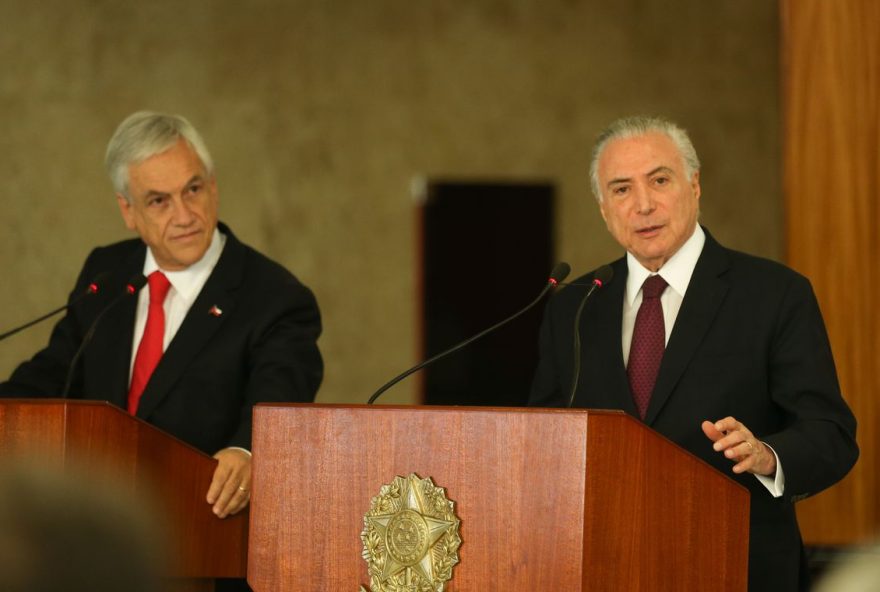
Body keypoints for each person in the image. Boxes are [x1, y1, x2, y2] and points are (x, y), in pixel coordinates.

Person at [529, 116, 858, 591]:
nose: (643, 205)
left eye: (659, 180)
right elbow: (544, 442)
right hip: (604, 570)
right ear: (603, 208)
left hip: (737, 568)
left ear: (694, 185)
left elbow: (831, 434)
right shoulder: (575, 307)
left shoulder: (774, 294)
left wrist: (768, 455)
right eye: (621, 189)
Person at [0, 111, 322, 518]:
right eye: (159, 201)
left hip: (203, 533)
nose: (185, 215)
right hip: (98, 529)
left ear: (213, 186)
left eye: (193, 190)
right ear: (128, 211)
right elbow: (56, 374)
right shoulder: (107, 273)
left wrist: (247, 451)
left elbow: (279, 406)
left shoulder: (275, 298)